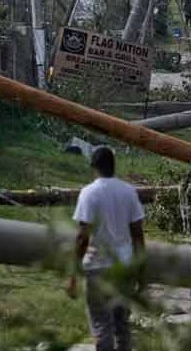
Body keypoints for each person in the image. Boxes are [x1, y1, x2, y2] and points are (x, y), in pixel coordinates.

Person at [69, 148, 145, 351]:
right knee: (121, 325)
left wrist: (74, 274)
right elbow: (138, 234)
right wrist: (140, 270)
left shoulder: (89, 193)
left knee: (102, 325)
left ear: (94, 168)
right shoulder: (128, 191)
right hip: (123, 266)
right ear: (113, 166)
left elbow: (82, 237)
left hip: (97, 266)